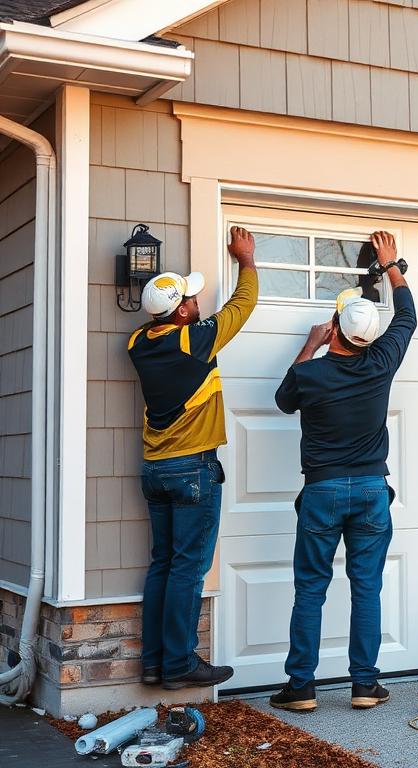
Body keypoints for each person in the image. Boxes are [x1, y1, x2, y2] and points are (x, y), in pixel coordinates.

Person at [269, 231, 416, 712]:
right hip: (372, 490)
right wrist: (390, 264)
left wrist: (309, 348)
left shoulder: (310, 373)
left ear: (334, 326)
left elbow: (282, 400)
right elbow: (408, 317)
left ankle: (302, 688)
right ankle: (364, 685)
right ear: (370, 337)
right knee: (366, 587)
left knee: (311, 587)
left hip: (323, 491)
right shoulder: (381, 362)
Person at [129, 226, 259, 689]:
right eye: (190, 298)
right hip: (193, 472)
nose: (197, 302)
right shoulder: (193, 340)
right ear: (181, 311)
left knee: (163, 563)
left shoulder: (139, 343)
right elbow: (242, 307)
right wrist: (245, 259)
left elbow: (165, 325)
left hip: (155, 469)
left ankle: (153, 662)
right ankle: (181, 663)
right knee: (188, 567)